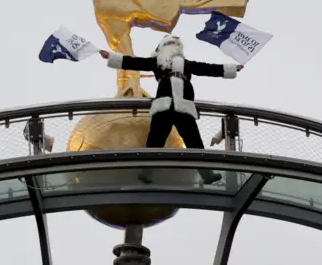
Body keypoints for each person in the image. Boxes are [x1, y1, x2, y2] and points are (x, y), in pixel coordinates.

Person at [99, 34, 243, 184]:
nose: (173, 46)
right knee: (155, 140)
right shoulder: (157, 63)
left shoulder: (185, 63)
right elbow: (135, 63)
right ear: (162, 48)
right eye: (169, 44)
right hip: (164, 104)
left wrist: (232, 68)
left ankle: (206, 174)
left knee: (194, 141)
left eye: (175, 44)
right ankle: (146, 172)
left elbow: (206, 68)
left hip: (183, 106)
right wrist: (111, 57)